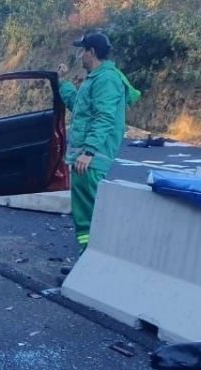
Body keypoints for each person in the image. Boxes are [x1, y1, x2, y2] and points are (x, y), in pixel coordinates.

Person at [57, 31, 140, 259]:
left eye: (83, 50)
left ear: (91, 52)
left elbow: (104, 117)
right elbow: (79, 107)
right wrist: (62, 83)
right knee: (84, 213)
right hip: (86, 158)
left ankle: (93, 259)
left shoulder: (107, 79)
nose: (81, 55)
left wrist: (89, 152)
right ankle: (86, 257)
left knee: (91, 212)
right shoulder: (95, 78)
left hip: (92, 158)